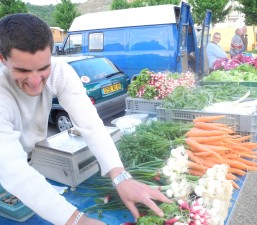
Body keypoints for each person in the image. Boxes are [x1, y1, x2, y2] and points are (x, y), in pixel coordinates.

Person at [0, 14, 171, 225]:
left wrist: (119, 176)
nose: (35, 81)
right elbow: (12, 169)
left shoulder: (60, 72)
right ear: (3, 59)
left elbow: (90, 124)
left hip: (24, 163)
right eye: (23, 70)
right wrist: (77, 220)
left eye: (43, 68)